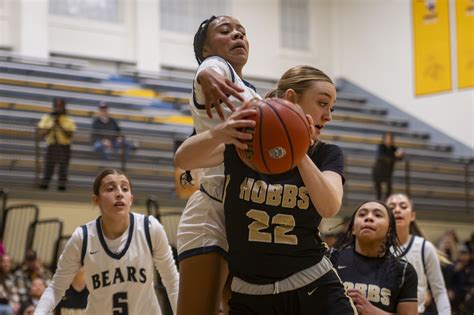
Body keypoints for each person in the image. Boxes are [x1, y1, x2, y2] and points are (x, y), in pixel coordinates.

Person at [176, 65, 358, 314]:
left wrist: (299, 149)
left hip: (312, 285)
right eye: (322, 104)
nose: (328, 116)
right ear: (292, 98)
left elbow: (329, 206)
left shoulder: (326, 153)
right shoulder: (247, 143)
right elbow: (183, 160)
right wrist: (219, 133)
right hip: (252, 294)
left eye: (332, 108)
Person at [176, 15, 260, 315]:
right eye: (226, 31)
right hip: (212, 211)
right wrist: (205, 73)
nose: (237, 35)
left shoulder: (253, 92)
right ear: (206, 50)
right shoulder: (217, 70)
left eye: (242, 31)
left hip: (248, 211)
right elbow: (208, 71)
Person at [34, 168, 179, 314]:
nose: (119, 193)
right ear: (96, 200)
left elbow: (172, 282)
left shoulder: (150, 228)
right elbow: (56, 288)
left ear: (131, 199)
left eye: (125, 188)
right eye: (110, 188)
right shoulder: (82, 237)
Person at [330, 200, 418, 314]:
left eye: (377, 215)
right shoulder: (331, 259)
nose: (369, 218)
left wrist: (373, 312)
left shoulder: (404, 270)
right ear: (352, 229)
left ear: (389, 230)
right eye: (362, 214)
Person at [386, 193, 451, 314]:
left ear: (412, 216)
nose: (397, 210)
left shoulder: (424, 247)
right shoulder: (377, 246)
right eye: (392, 207)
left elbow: (439, 291)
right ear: (385, 215)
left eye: (403, 206)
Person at [37, 97, 76, 191]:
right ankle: (44, 186)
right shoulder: (47, 118)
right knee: (48, 167)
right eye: (57, 106)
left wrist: (60, 125)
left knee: (63, 167)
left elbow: (70, 135)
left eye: (60, 106)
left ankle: (61, 187)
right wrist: (52, 125)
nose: (59, 108)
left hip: (64, 146)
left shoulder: (68, 119)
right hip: (51, 145)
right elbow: (41, 134)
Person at [372, 132, 404, 200]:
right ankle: (379, 202)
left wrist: (401, 155)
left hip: (388, 172)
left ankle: (386, 202)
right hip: (378, 171)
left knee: (389, 189)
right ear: (384, 139)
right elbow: (382, 157)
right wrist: (395, 156)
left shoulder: (394, 148)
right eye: (387, 139)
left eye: (390, 139)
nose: (388, 140)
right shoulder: (381, 147)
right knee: (379, 190)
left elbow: (400, 157)